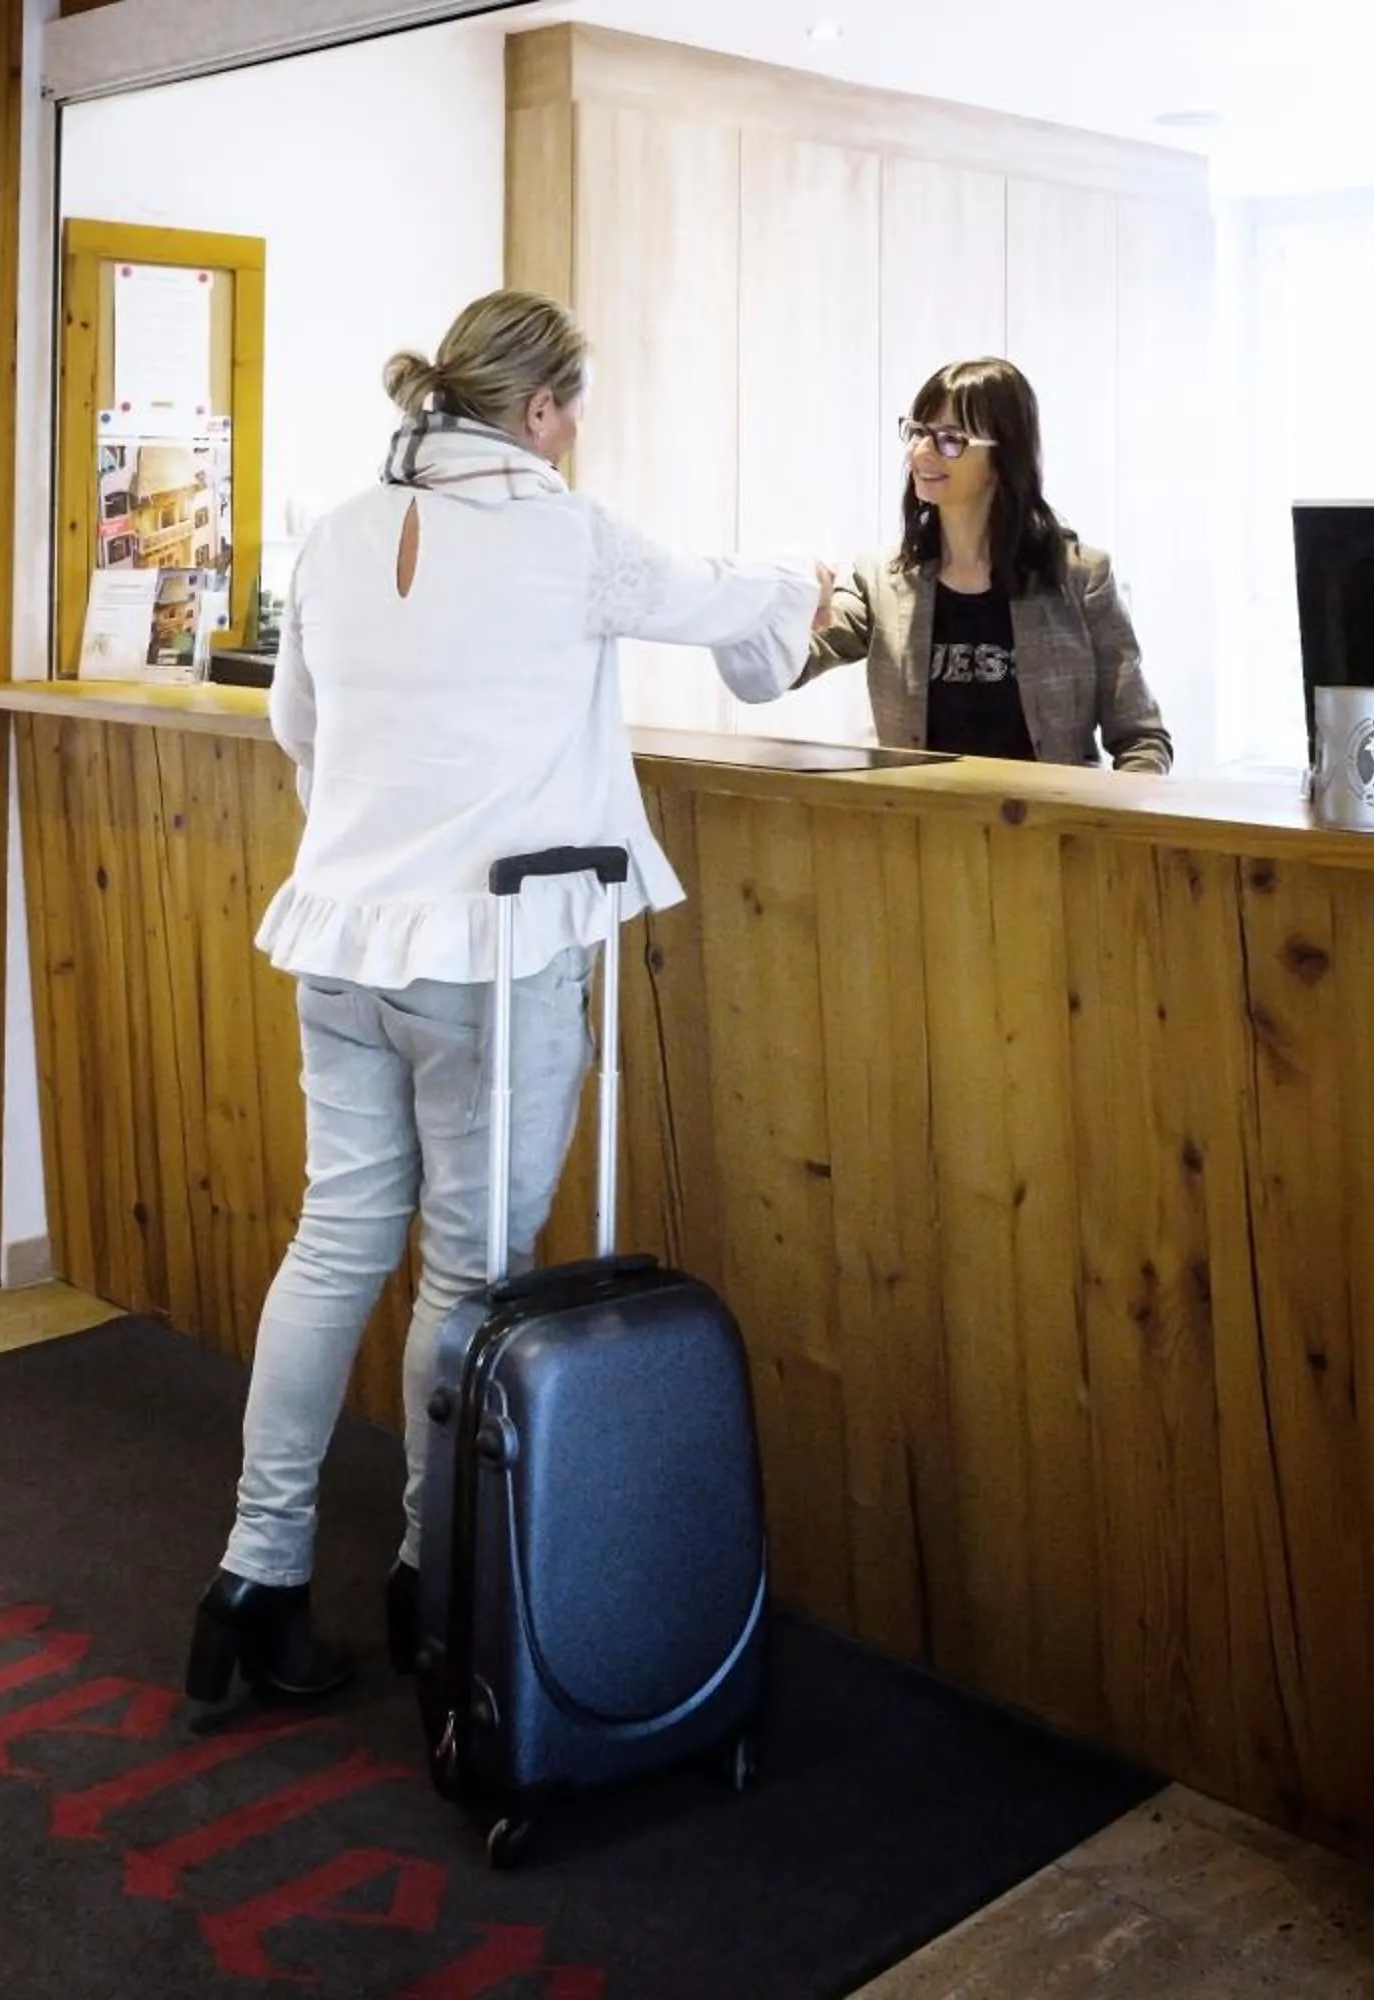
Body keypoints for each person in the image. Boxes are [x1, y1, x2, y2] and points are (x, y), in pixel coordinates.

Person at [188, 289, 826, 1703]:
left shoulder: (342, 531)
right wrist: (814, 580)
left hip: (345, 940)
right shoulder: (568, 534)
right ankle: (435, 1572)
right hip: (492, 953)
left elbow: (299, 726)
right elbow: (741, 606)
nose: (578, 435)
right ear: (540, 411)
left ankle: (257, 1575)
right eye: (575, 409)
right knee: (467, 1277)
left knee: (333, 1246)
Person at [804, 357, 1174, 772]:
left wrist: (1101, 831)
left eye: (949, 439)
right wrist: (790, 596)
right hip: (920, 829)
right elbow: (798, 659)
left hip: (1047, 830)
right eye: (916, 432)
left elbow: (1142, 738)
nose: (920, 452)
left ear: (1004, 456)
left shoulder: (1080, 578)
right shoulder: (879, 578)